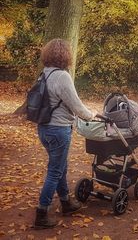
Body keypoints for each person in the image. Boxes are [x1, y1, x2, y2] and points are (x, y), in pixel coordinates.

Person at [34, 38, 97, 229]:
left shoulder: (44, 74)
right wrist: (91, 115)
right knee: (55, 171)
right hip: (59, 130)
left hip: (44, 128)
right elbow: (76, 106)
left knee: (60, 166)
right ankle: (41, 214)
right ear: (65, 56)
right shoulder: (62, 76)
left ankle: (66, 203)